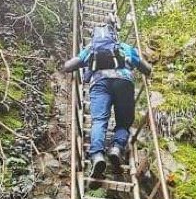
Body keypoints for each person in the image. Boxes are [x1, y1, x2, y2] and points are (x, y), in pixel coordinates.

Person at [63, 17, 152, 178]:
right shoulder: (124, 47)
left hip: (100, 83)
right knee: (123, 123)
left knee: (99, 121)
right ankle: (117, 149)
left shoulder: (91, 48)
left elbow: (69, 66)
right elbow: (146, 68)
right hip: (124, 82)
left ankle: (97, 156)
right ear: (114, 35)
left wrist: (80, 65)